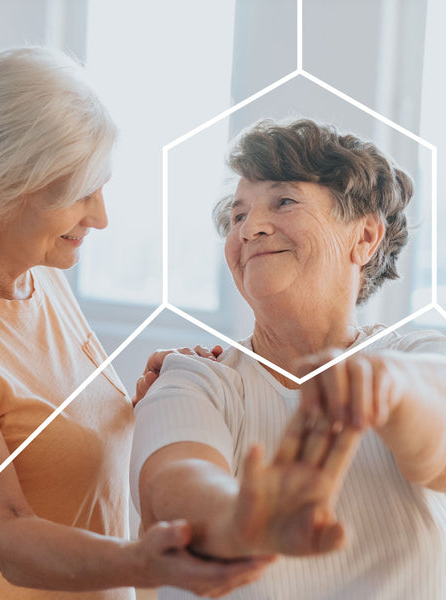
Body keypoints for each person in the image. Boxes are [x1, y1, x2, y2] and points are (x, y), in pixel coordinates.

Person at [0, 47, 274, 599]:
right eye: (79, 192)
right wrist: (149, 565)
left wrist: (144, 400)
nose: (101, 216)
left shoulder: (44, 279)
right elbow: (6, 536)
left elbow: (51, 443)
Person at [132, 119, 446, 598]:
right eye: (238, 216)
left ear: (364, 238)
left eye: (283, 201)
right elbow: (172, 488)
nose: (251, 228)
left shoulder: (416, 356)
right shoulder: (195, 377)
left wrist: (383, 384)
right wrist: (246, 519)